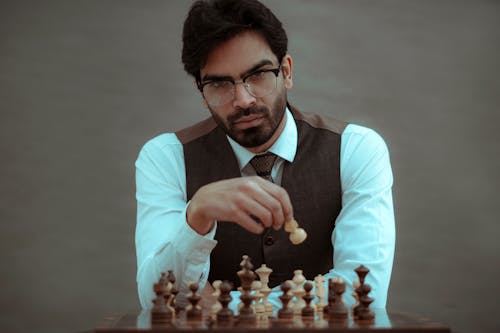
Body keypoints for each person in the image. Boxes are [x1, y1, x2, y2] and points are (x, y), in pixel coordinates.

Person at [135, 0, 395, 311]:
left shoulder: (357, 149)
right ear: (201, 92)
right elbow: (155, 302)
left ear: (286, 72)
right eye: (220, 83)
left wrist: (223, 307)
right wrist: (197, 217)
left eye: (257, 75)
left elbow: (365, 295)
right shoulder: (165, 158)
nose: (243, 99)